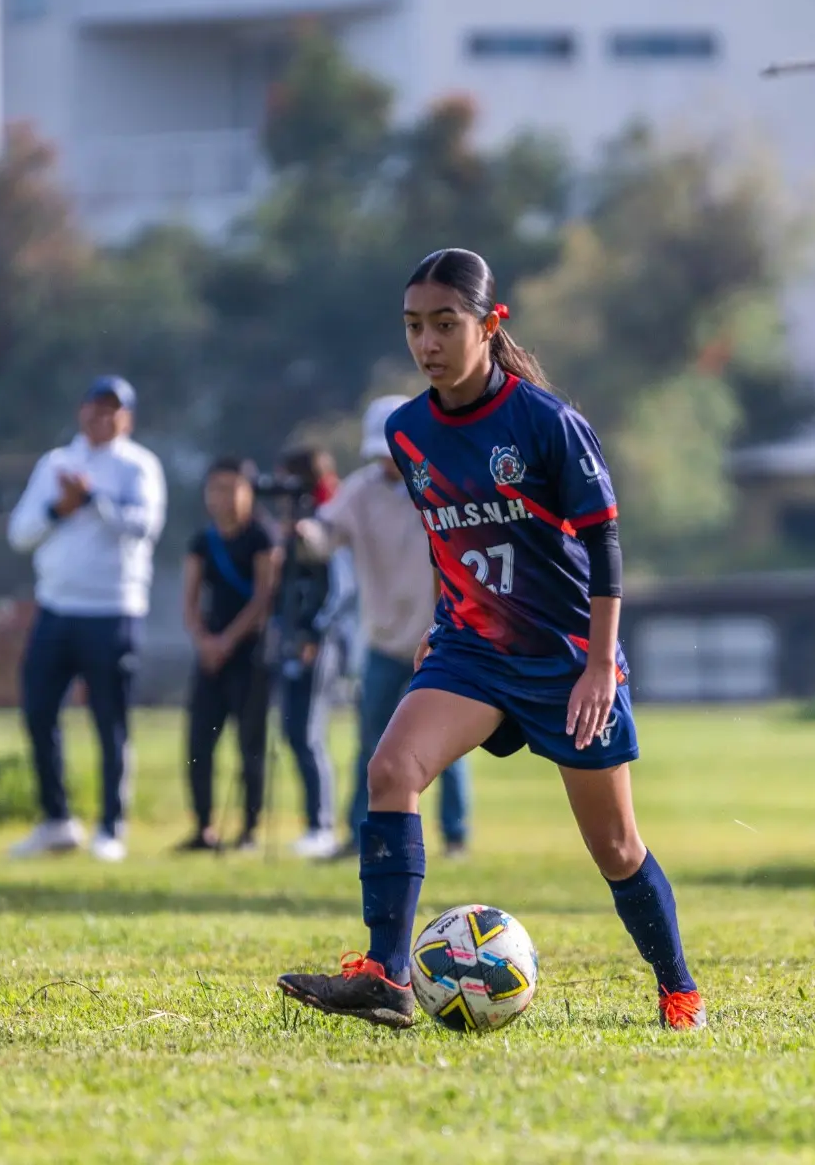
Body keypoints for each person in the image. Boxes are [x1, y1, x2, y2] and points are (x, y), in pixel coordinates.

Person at [277, 247, 705, 1032]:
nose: (428, 343)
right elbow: (452, 541)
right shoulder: (408, 433)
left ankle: (679, 988)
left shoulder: (546, 422)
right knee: (390, 768)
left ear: (487, 324)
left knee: (615, 847)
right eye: (414, 327)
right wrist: (444, 626)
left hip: (566, 660)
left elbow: (606, 545)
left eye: (445, 324)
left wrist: (600, 665)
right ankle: (387, 972)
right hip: (472, 653)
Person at [298, 396, 473, 861]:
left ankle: (455, 837)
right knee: (372, 745)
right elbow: (325, 535)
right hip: (381, 639)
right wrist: (304, 534)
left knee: (448, 745)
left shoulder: (440, 484)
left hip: (438, 639)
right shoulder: (360, 490)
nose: (387, 462)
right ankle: (362, 837)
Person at [6, 376, 167, 863]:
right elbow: (20, 533)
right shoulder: (55, 464)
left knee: (109, 720)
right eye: (95, 407)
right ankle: (57, 820)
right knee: (37, 711)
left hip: (113, 610)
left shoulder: (139, 465)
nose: (102, 417)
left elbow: (144, 527)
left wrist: (94, 500)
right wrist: (61, 507)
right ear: (81, 412)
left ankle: (111, 826)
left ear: (127, 418)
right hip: (56, 608)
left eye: (113, 410)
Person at [177, 457, 277, 852]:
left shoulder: (262, 536)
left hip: (251, 654)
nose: (223, 497)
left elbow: (263, 597)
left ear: (249, 492)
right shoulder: (202, 541)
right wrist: (203, 640)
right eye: (215, 488)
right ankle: (203, 828)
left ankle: (249, 831)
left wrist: (228, 641)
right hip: (210, 657)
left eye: (232, 488)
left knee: (250, 744)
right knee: (198, 743)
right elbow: (189, 598)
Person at [272, 447, 354, 860]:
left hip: (320, 642)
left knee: (308, 732)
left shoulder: (332, 519)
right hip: (295, 637)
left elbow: (339, 589)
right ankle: (314, 823)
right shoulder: (300, 524)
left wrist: (313, 632)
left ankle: (320, 824)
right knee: (294, 732)